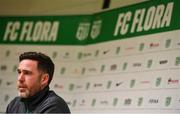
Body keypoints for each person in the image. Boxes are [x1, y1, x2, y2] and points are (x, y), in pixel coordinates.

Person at [6, 51, 70, 113]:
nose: (20, 78)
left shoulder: (55, 106)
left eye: (27, 73)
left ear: (44, 79)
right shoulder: (14, 104)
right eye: (19, 72)